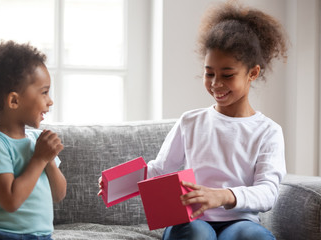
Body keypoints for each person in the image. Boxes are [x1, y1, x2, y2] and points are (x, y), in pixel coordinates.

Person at [99, 1, 288, 240]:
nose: (216, 83)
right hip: (192, 220)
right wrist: (117, 183)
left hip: (240, 220)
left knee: (252, 236)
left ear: (252, 73)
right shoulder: (191, 121)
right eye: (209, 73)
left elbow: (267, 192)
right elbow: (159, 169)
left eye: (227, 75)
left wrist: (222, 196)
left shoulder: (268, 131)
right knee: (198, 234)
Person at [0, 40, 67, 240]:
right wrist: (39, 159)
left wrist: (49, 159)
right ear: (14, 100)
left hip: (41, 235)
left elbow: (58, 194)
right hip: (2, 235)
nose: (50, 101)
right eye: (44, 92)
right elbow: (11, 201)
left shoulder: (36, 140)